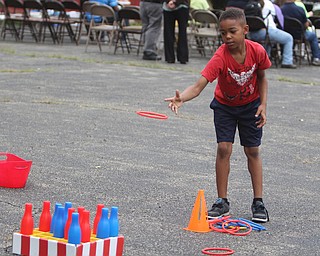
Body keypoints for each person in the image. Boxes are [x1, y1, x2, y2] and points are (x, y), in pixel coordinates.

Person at [165, 8, 271, 222]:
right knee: (224, 148)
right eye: (223, 33)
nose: (227, 37)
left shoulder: (257, 50)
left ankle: (258, 202)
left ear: (245, 30)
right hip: (225, 106)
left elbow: (261, 77)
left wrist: (263, 104)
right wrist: (181, 98)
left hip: (251, 106)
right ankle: (222, 201)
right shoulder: (220, 56)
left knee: (252, 151)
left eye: (232, 31)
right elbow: (198, 86)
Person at [249, 0, 296, 68]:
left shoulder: (250, 4)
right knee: (288, 38)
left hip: (251, 33)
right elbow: (279, 20)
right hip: (265, 31)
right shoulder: (269, 3)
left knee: (270, 40)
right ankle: (287, 62)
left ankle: (264, 59)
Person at [281, 0, 320, 66]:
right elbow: (305, 24)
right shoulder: (299, 9)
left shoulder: (281, 9)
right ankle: (316, 58)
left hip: (285, 33)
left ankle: (284, 54)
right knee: (313, 35)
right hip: (299, 35)